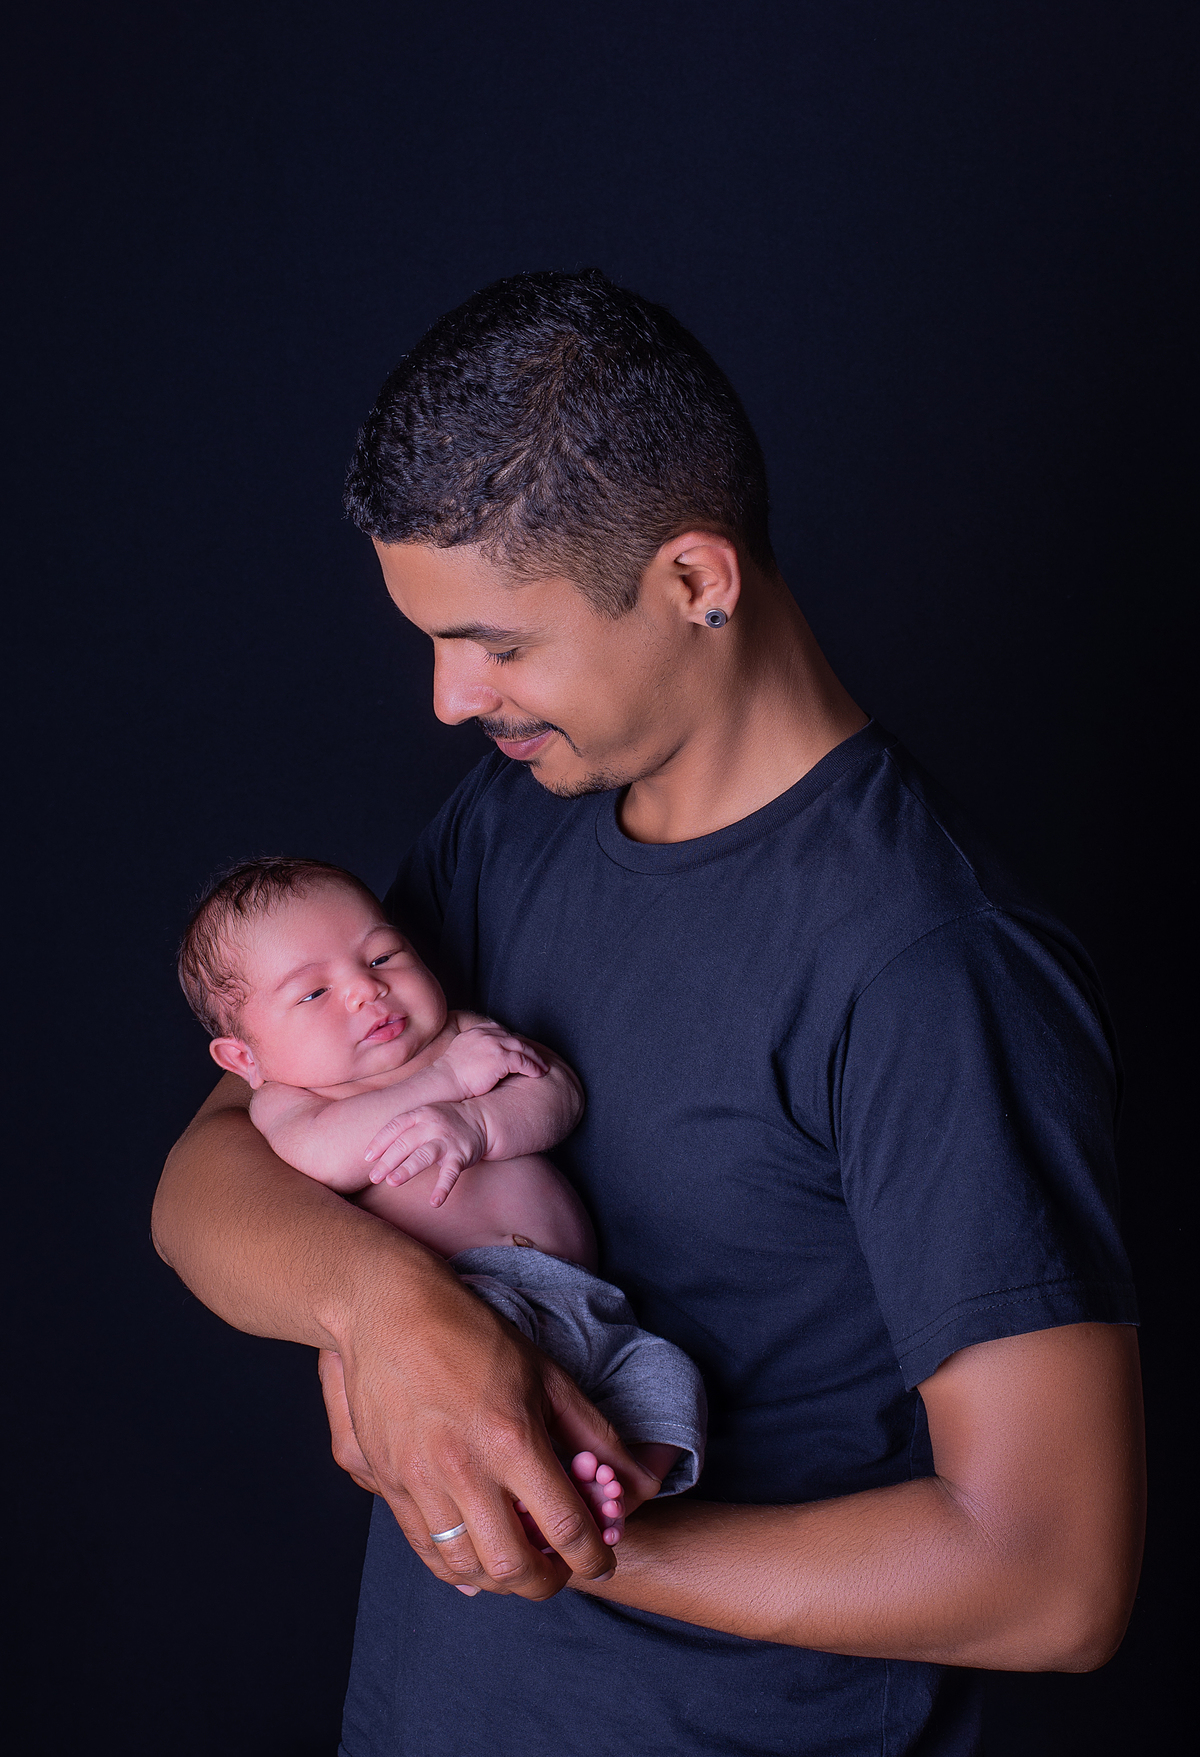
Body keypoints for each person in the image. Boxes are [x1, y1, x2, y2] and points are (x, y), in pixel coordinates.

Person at [153, 270, 1145, 1757]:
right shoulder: (517, 816)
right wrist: (389, 1313)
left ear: (694, 581)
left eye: (496, 642)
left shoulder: (934, 964)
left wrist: (550, 1523)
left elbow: (1051, 1580)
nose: (447, 699)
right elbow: (205, 1179)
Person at [175, 854, 706, 1539]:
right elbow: (327, 1157)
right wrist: (448, 1081)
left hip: (587, 1304)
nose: (366, 990)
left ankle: (622, 1484)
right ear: (244, 1058)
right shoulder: (291, 1101)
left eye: (382, 956)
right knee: (496, 1412)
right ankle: (522, 1502)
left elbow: (556, 1091)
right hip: (463, 1301)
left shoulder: (459, 1031)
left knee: (666, 1376)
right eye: (313, 993)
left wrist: (480, 1122)